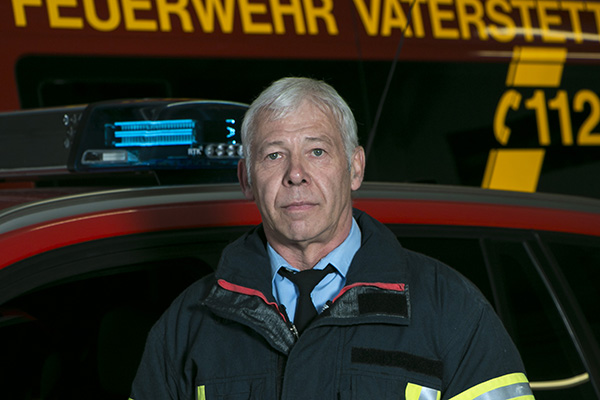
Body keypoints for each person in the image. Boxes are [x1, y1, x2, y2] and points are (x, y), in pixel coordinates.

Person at [130, 77, 534, 400]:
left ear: (355, 168)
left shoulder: (450, 309)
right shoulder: (188, 325)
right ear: (246, 179)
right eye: (274, 155)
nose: (295, 174)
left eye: (317, 151)